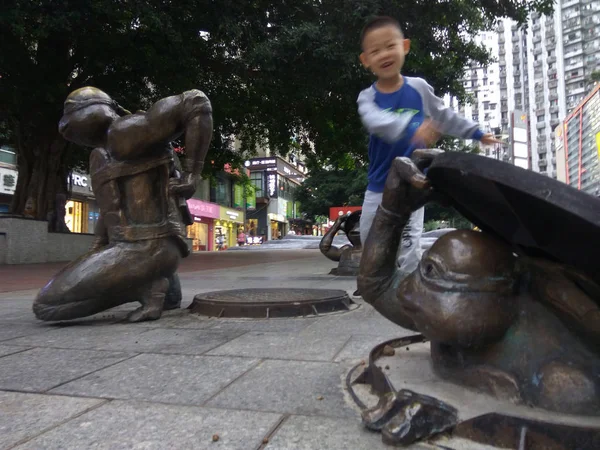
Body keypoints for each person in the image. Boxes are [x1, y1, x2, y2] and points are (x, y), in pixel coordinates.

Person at [356, 16, 501, 274]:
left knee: (411, 244)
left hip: (413, 184)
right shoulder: (368, 97)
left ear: (405, 46)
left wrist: (476, 133)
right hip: (379, 187)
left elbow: (444, 116)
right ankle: (377, 283)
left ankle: (408, 291)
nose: (384, 54)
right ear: (366, 60)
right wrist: (412, 126)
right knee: (371, 242)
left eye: (390, 46)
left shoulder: (419, 88)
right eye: (375, 51)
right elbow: (375, 122)